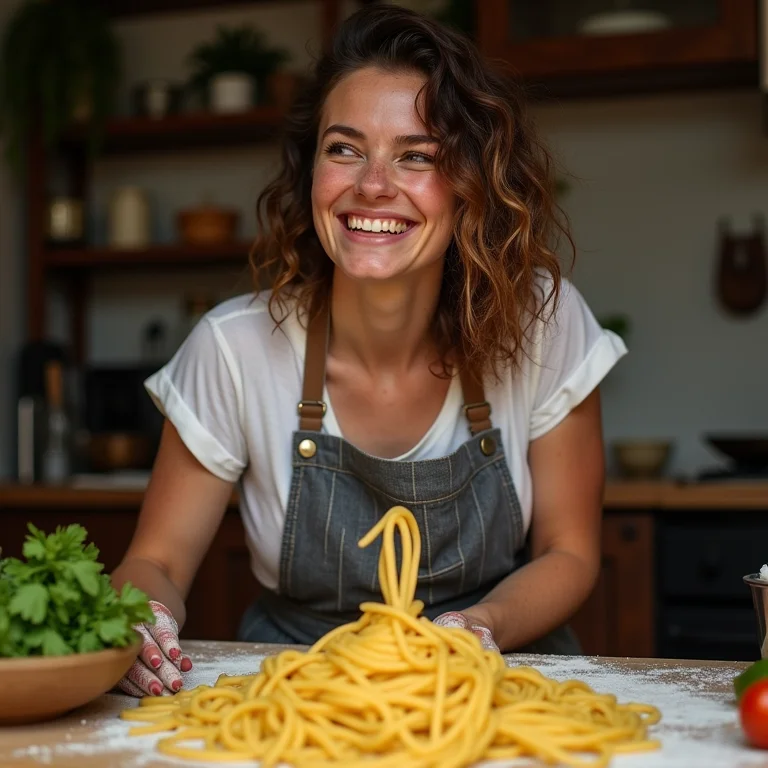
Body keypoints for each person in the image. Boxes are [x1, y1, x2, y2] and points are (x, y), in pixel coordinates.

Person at [111, 3, 627, 698]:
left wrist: (478, 626)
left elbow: (570, 553)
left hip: (491, 676)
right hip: (292, 686)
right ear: (310, 173)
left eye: (417, 155)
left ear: (472, 187)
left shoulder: (545, 322)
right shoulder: (233, 348)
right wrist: (142, 615)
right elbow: (157, 558)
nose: (372, 185)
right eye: (345, 148)